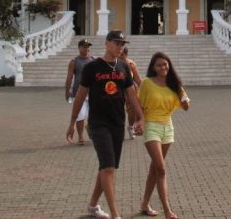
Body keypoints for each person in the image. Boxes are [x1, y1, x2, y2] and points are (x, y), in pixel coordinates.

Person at [67, 30, 144, 219]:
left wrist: (141, 117)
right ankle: (116, 215)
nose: (120, 47)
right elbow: (81, 95)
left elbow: (131, 95)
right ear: (107, 43)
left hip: (117, 122)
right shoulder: (92, 67)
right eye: (117, 43)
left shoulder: (124, 68)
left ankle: (93, 206)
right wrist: (72, 122)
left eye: (122, 44)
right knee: (109, 168)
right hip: (98, 123)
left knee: (107, 167)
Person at [137, 51, 190, 219]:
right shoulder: (146, 83)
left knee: (155, 169)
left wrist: (185, 102)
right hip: (151, 126)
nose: (163, 67)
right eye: (159, 65)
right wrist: (140, 122)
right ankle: (167, 210)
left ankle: (145, 204)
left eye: (165, 64)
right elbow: (139, 106)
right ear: (153, 67)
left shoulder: (174, 84)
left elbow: (186, 107)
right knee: (161, 168)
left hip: (168, 127)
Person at [65, 38, 94, 145]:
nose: (86, 48)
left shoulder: (93, 60)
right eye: (84, 46)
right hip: (79, 93)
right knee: (80, 115)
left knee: (94, 115)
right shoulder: (74, 62)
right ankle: (81, 137)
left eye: (88, 46)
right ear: (79, 48)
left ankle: (90, 129)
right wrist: (67, 92)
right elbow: (69, 77)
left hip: (92, 92)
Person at [121, 46, 143, 139]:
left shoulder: (131, 64)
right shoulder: (112, 63)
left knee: (133, 111)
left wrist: (146, 89)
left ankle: (130, 127)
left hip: (130, 91)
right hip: (116, 90)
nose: (121, 56)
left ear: (126, 54)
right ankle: (117, 129)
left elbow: (138, 79)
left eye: (123, 54)